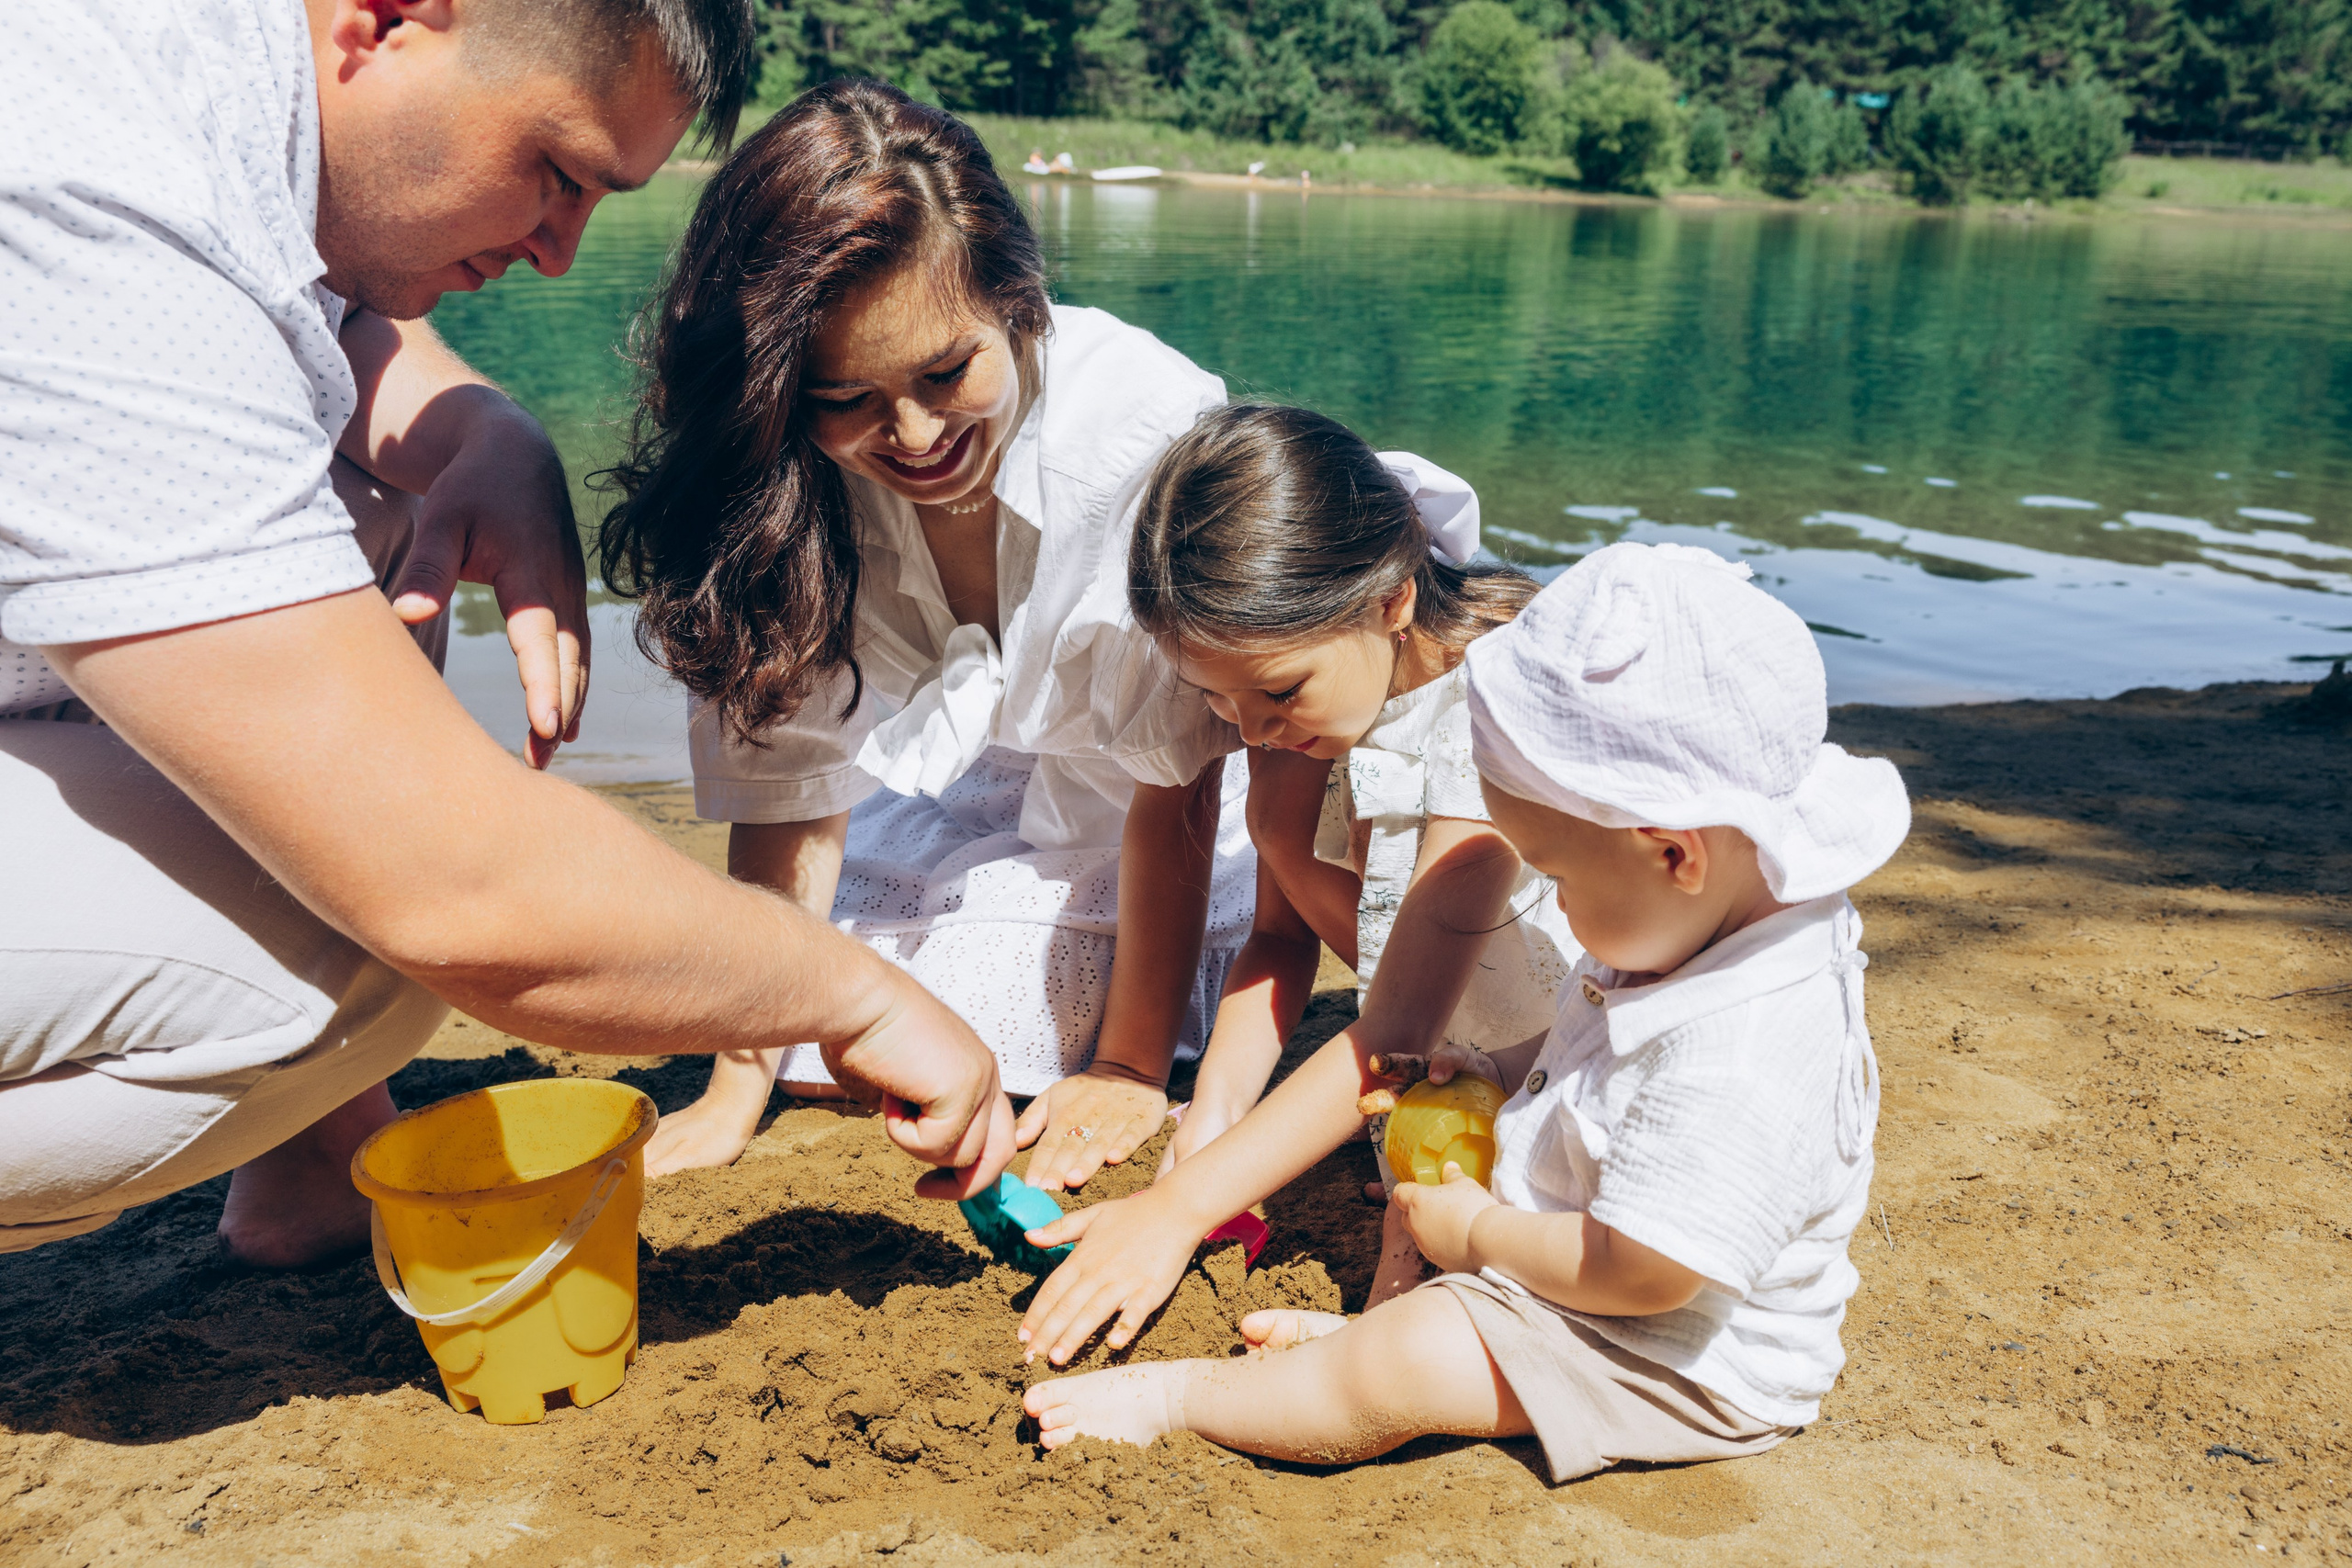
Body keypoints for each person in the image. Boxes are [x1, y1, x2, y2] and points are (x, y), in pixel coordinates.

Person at [0, 0, 1012, 1267]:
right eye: (555, 173)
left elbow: (321, 328)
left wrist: (492, 434)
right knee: (359, 940)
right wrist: (852, 990)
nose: (559, 253)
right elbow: (454, 889)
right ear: (388, 20)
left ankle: (317, 1156)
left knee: (381, 515)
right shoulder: (84, 181)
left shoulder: (190, 70)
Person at [1016, 542, 1912, 1483]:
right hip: (1584, 1277)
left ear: (1675, 854)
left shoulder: (1739, 1051)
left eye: (1557, 876)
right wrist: (1500, 1069)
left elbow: (1646, 1273)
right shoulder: (1697, 921)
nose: (1554, 905)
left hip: (1662, 1356)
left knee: (1401, 1364)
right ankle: (1380, 1341)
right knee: (1418, 1231)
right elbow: (1598, 1058)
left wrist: (1478, 1236)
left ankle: (1186, 1396)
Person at [598, 81, 1255, 1190]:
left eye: (946, 374)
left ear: (1018, 302)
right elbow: (788, 788)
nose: (913, 437)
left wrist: (1134, 1068)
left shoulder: (1148, 438)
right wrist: (734, 1089)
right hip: (957, 769)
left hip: (1152, 809)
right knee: (808, 1034)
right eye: (844, 396)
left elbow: (1170, 781)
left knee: (1026, 1037)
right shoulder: (776, 482)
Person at [1126, 406, 1577, 1296]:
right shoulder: (1289, 725)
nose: (1248, 727)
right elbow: (1282, 939)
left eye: (1278, 690)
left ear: (1390, 599)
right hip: (1425, 1081)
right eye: (1215, 697)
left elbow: (1395, 1025)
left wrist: (1172, 1211)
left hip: (1558, 1077)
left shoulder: (1490, 716)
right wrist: (1214, 1116)